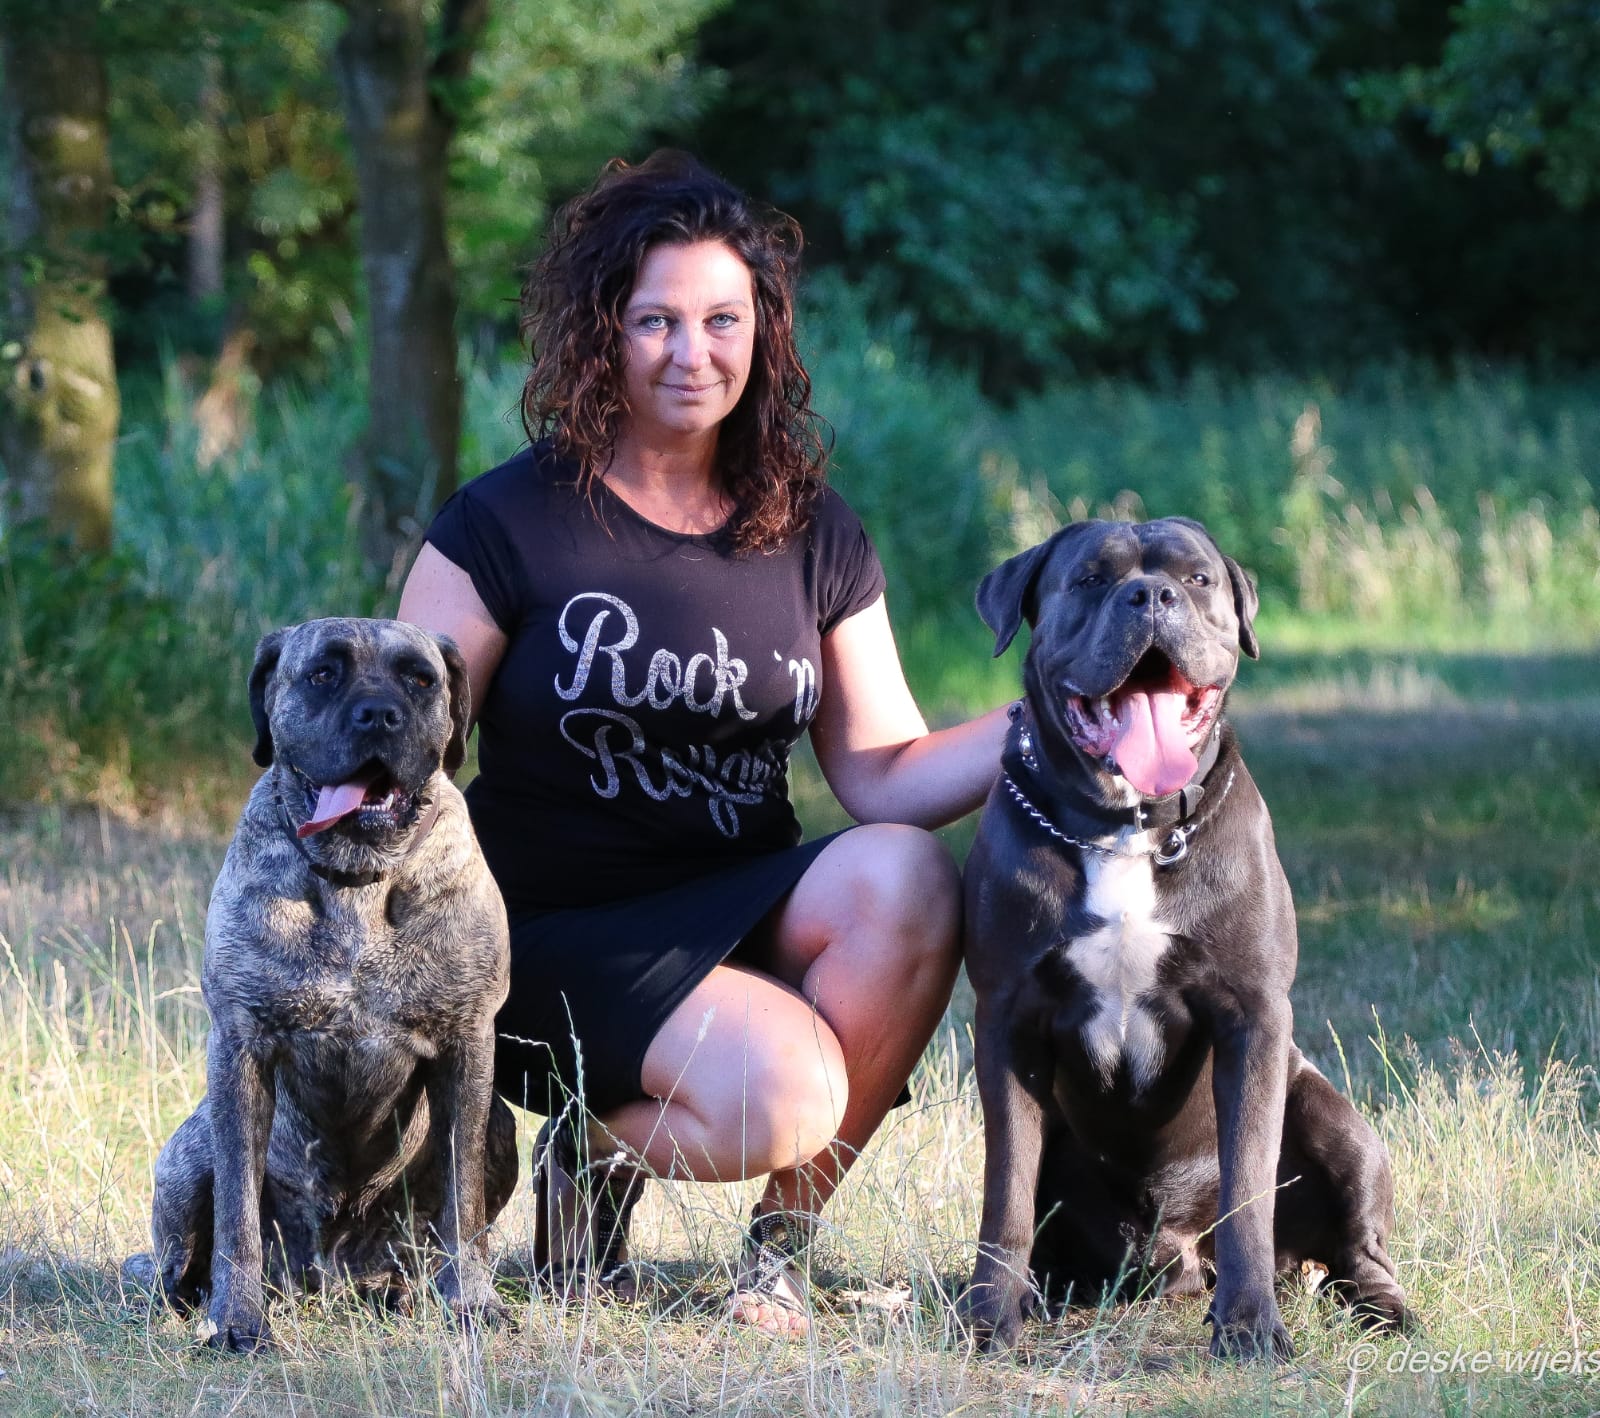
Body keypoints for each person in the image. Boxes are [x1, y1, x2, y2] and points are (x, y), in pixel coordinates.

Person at [398, 150, 1009, 1335]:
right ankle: (594, 1146)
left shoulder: (813, 527)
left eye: (722, 319)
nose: (693, 352)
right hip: (549, 934)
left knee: (905, 873)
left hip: (732, 895)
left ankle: (776, 1255)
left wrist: (1051, 724)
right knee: (789, 1090)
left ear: (762, 334)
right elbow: (410, 746)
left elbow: (881, 772)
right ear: (601, 335)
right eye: (656, 321)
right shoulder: (504, 521)